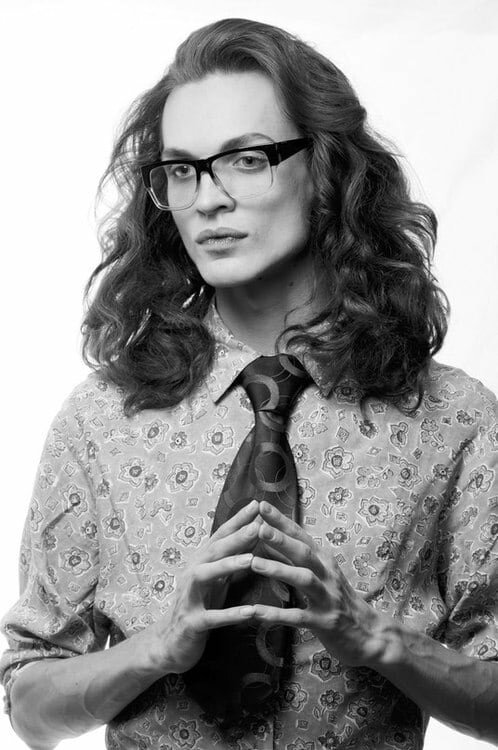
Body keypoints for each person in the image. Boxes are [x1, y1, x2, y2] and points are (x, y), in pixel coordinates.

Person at [1, 15, 498, 750]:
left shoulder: (454, 418)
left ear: (328, 170)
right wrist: (157, 648)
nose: (207, 199)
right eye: (181, 170)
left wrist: (377, 640)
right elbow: (30, 707)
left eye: (246, 159)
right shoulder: (100, 420)